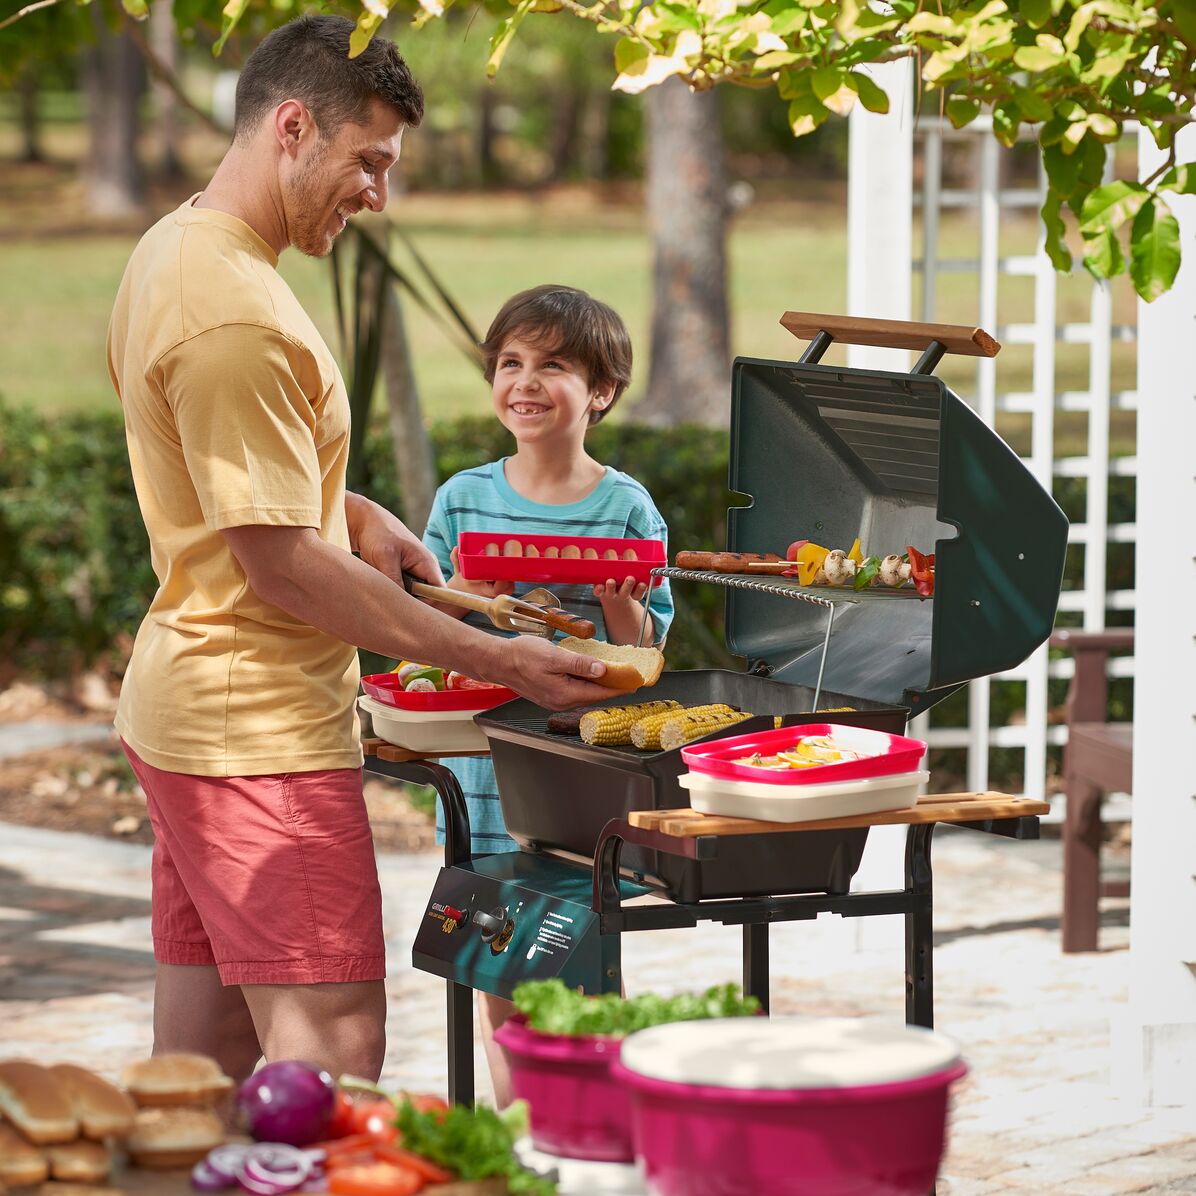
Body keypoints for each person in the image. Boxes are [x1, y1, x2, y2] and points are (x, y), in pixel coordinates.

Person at [105, 17, 615, 1087]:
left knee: (202, 1072)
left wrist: (347, 506)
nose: (378, 192)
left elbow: (239, 481)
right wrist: (504, 658)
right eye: (368, 160)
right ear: (293, 126)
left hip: (190, 716)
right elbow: (278, 565)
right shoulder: (235, 316)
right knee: (330, 1062)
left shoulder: (180, 246)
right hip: (258, 742)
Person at [422, 284, 674, 1102]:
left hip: (579, 763)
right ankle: (524, 1125)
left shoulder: (626, 506)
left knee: (581, 950)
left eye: (552, 366)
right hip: (484, 759)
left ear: (599, 392)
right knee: (496, 951)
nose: (524, 382)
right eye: (510, 363)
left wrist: (620, 607)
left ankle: (603, 1119)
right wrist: (466, 587)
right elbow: (425, 614)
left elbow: (644, 654)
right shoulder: (463, 497)